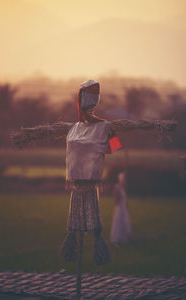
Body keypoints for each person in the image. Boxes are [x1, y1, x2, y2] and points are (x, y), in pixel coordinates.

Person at [61, 80, 122, 265]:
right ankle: (74, 244)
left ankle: (96, 244)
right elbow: (114, 147)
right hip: (78, 183)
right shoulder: (75, 128)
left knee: (93, 218)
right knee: (75, 222)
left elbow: (115, 147)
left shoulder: (103, 126)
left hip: (90, 183)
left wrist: (111, 135)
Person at [110, 172, 131, 244]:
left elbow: (125, 198)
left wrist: (126, 206)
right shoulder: (117, 187)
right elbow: (115, 197)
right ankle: (116, 238)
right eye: (123, 180)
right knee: (118, 221)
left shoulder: (123, 188)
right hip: (119, 208)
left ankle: (123, 238)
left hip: (124, 208)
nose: (124, 181)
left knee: (124, 221)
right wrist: (119, 204)